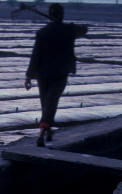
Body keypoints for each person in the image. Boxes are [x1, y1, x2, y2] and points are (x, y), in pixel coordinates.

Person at [25, 4, 87, 147]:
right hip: (60, 73)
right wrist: (70, 25)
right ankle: (42, 133)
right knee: (51, 103)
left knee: (45, 103)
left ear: (50, 14)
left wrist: (28, 76)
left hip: (43, 74)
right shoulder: (69, 31)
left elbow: (35, 56)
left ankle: (48, 131)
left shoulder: (42, 32)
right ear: (62, 14)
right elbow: (84, 29)